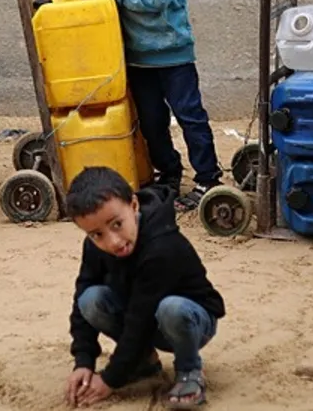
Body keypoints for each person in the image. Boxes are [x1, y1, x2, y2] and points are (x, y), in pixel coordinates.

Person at [83, 0, 222, 212]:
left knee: (190, 115)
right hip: (136, 55)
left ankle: (208, 178)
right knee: (151, 122)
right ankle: (170, 175)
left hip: (171, 51)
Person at [62, 167, 225, 409]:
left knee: (172, 308)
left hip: (191, 320)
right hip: (140, 314)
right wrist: (83, 361)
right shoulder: (95, 248)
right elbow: (81, 300)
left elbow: (142, 318)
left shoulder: (162, 248)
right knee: (90, 299)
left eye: (117, 224)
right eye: (97, 234)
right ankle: (143, 361)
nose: (112, 241)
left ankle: (189, 371)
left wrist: (110, 379)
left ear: (134, 206)